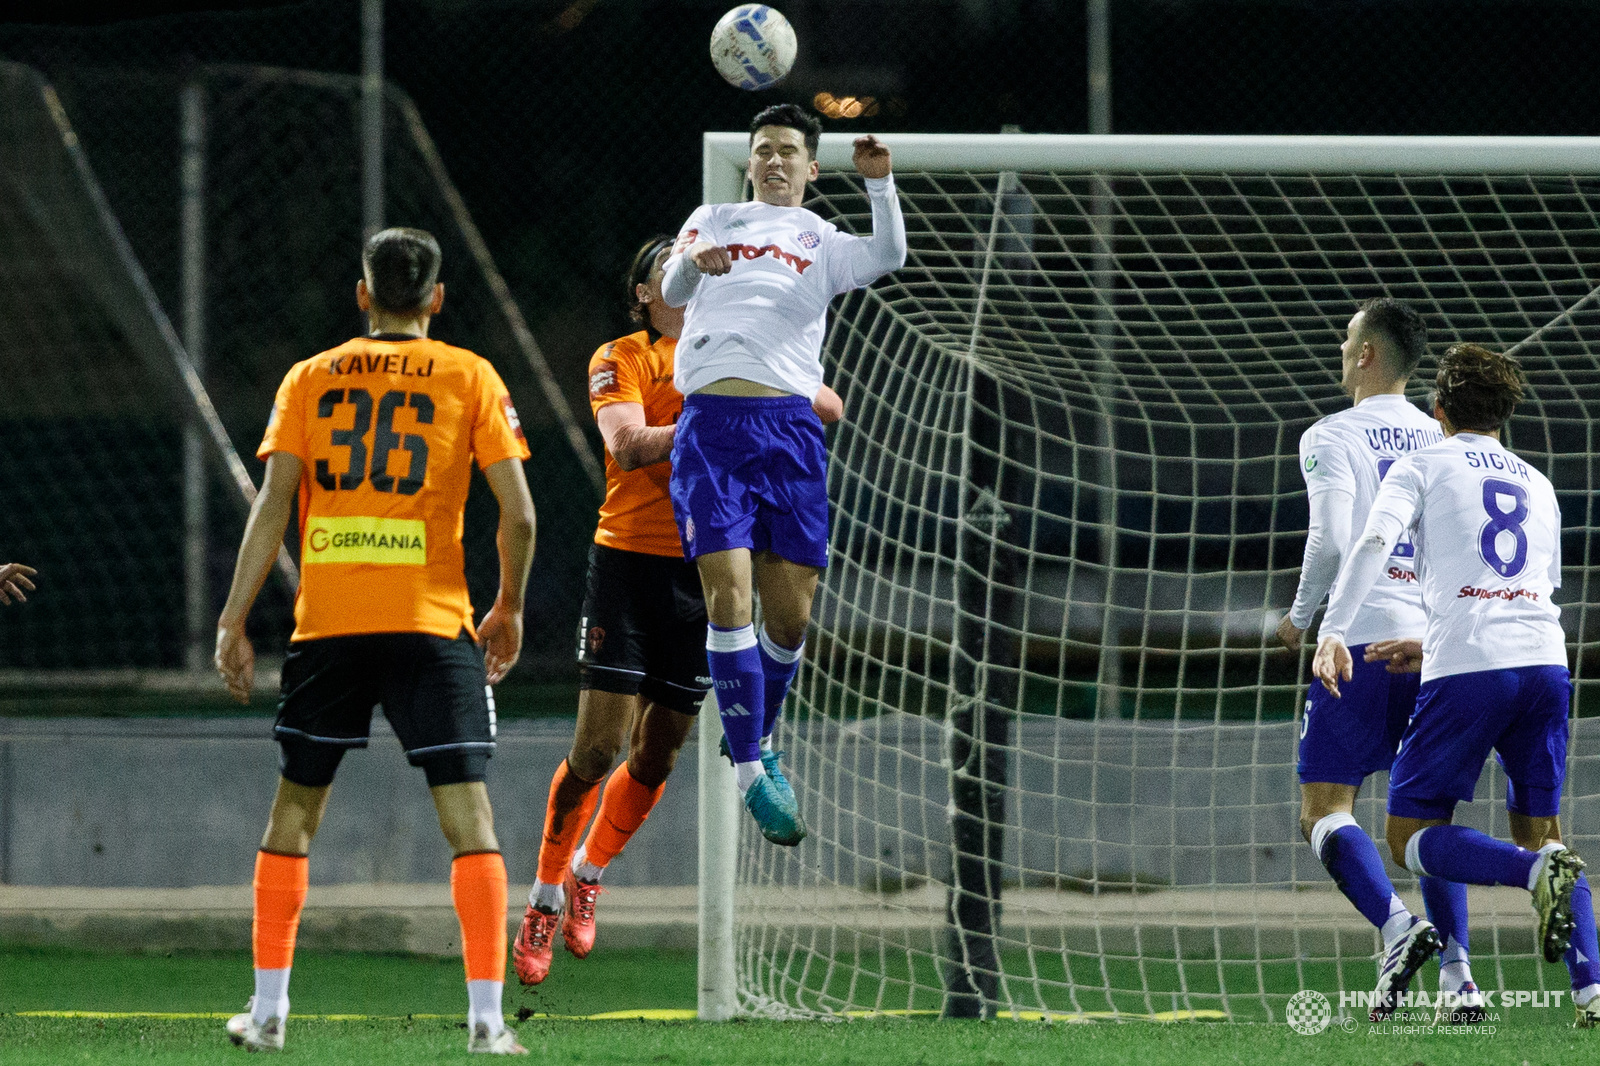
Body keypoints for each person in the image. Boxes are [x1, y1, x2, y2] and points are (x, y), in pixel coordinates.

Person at [214, 227, 534, 1054]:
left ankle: (271, 1011)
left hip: (331, 623)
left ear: (362, 294)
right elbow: (522, 515)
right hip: (432, 625)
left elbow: (272, 505)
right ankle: (488, 1023)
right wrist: (509, 608)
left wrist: (233, 620)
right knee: (471, 821)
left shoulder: (310, 377)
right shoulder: (471, 375)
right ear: (436, 298)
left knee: (294, 813)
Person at [512, 236, 844, 985]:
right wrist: (717, 427)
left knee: (658, 752)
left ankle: (591, 872)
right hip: (630, 563)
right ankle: (541, 896)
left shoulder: (740, 347)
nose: (688, 277)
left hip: (710, 568)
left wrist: (782, 392)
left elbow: (824, 405)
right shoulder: (622, 356)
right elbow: (628, 445)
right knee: (598, 748)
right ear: (643, 292)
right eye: (669, 269)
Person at [1312, 342, 1600, 1029]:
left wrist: (1333, 628)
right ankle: (1592, 991)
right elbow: (1528, 587)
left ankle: (1528, 885)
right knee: (1544, 832)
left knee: (1409, 832)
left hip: (1470, 667)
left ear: (1439, 410)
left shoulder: (1422, 462)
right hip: (1545, 664)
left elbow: (1373, 543)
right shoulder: (1538, 481)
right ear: (1505, 415)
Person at [659, 103, 904, 845]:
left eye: (787, 151)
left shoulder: (822, 239)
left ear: (809, 168)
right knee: (728, 600)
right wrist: (689, 264)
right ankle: (748, 772)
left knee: (791, 617)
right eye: (762, 149)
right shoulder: (716, 216)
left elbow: (888, 256)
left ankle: (759, 737)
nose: (772, 160)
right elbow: (670, 291)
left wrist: (881, 186)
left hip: (790, 433)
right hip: (712, 429)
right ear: (751, 162)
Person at [1276, 297, 1476, 1021]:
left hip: (1358, 642)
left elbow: (1331, 540)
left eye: (1345, 337)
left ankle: (1397, 928)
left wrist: (1300, 621)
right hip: (1434, 647)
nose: (1339, 347)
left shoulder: (1331, 434)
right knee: (1426, 820)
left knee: (1324, 809)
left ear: (1366, 356)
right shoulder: (1446, 441)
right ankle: (1461, 982)